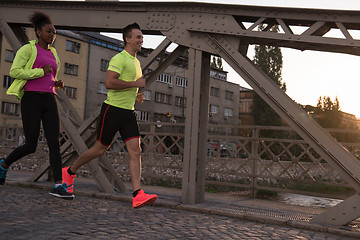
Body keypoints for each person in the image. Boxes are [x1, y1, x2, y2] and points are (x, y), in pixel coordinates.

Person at [62, 23, 158, 208]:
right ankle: (70, 171)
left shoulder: (136, 62)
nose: (141, 40)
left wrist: (137, 94)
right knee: (99, 150)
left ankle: (137, 194)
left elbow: (131, 85)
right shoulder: (119, 59)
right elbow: (109, 83)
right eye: (138, 37)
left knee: (136, 150)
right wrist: (134, 84)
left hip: (128, 112)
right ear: (127, 39)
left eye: (142, 37)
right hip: (112, 110)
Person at [0, 11, 74, 199]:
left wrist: (56, 82)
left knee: (54, 144)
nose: (52, 35)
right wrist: (39, 71)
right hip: (31, 99)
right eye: (49, 31)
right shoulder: (28, 50)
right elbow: (15, 71)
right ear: (38, 32)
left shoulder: (54, 52)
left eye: (54, 32)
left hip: (50, 98)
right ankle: (3, 164)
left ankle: (58, 185)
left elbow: (50, 75)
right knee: (31, 144)